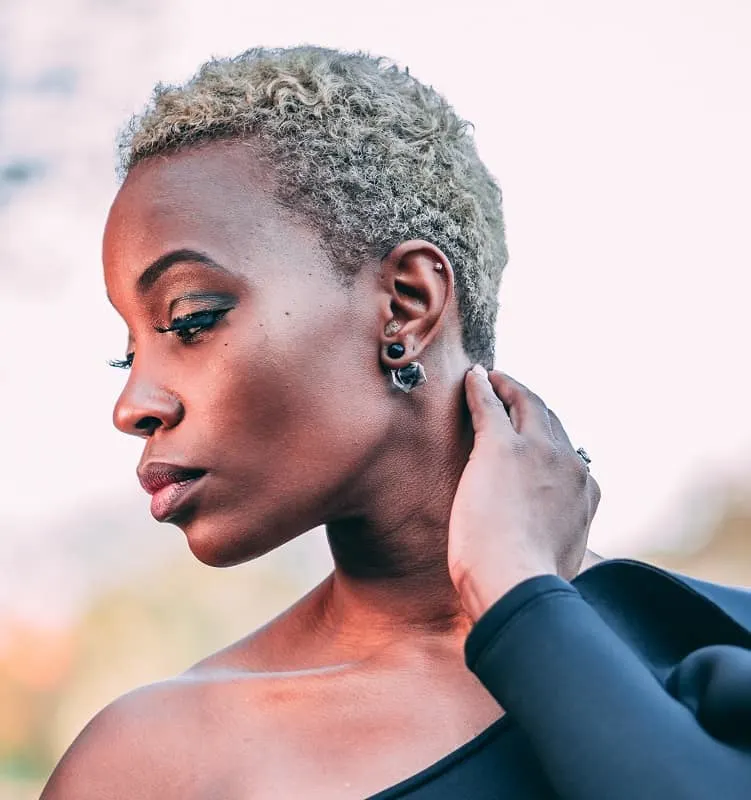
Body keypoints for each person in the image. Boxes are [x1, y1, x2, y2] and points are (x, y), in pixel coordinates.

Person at [42, 46, 751, 799]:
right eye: (128, 355)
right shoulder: (152, 765)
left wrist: (513, 590)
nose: (133, 406)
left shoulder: (712, 642)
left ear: (407, 304)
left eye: (190, 318)